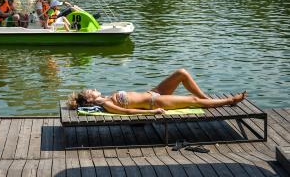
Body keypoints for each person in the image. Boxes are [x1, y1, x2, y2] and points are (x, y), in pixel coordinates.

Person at [67, 69, 247, 114]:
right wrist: (154, 111)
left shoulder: (107, 98)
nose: (94, 89)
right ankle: (229, 101)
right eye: (91, 91)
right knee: (192, 100)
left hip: (154, 92)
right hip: (156, 102)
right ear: (89, 100)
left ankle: (207, 99)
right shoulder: (107, 104)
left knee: (181, 73)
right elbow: (129, 112)